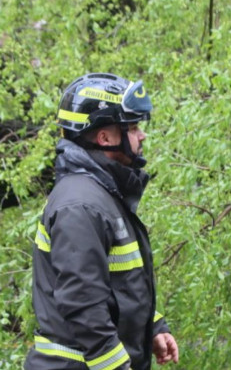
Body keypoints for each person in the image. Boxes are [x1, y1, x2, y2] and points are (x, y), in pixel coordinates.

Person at [25, 73, 180, 370]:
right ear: (104, 137)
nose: (141, 135)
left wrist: (153, 326)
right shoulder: (80, 205)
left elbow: (115, 285)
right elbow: (83, 302)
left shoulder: (103, 194)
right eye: (132, 127)